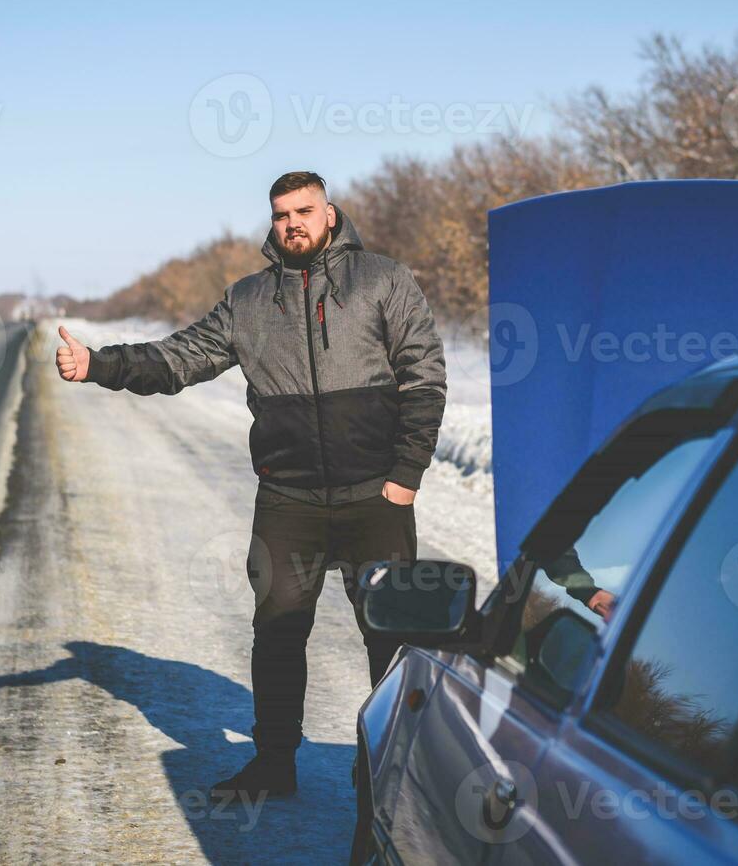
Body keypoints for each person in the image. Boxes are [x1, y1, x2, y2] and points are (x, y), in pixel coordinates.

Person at [55, 171, 446, 802]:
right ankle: (273, 764)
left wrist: (405, 477)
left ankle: (388, 762)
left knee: (391, 633)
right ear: (272, 222)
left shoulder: (383, 280)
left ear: (330, 212)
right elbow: (179, 359)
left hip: (375, 495)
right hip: (288, 500)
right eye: (281, 214)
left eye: (304, 211)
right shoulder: (249, 300)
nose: (293, 222)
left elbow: (424, 379)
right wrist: (99, 365)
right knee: (278, 631)